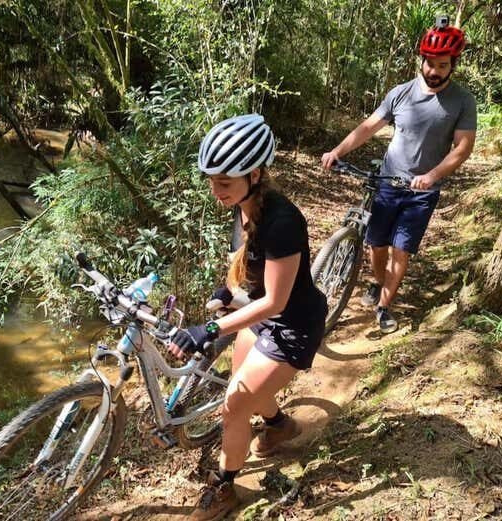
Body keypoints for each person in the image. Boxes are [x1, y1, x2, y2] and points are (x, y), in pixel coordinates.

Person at [168, 113, 327, 520]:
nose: (214, 190)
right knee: (246, 389)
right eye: (212, 180)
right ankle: (278, 425)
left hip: (292, 324)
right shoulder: (241, 204)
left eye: (224, 182)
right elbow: (243, 261)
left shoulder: (283, 221)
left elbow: (275, 301)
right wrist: (228, 292)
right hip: (260, 313)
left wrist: (211, 328)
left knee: (234, 406)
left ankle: (226, 488)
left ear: (254, 174)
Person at [321, 17, 477, 334]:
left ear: (453, 65)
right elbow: (368, 127)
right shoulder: (400, 94)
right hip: (389, 183)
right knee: (376, 245)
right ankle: (379, 284)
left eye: (442, 65)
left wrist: (432, 176)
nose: (434, 71)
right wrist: (338, 151)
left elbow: (462, 148)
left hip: (422, 192)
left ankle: (383, 307)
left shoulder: (463, 101)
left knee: (400, 250)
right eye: (430, 63)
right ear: (422, 60)